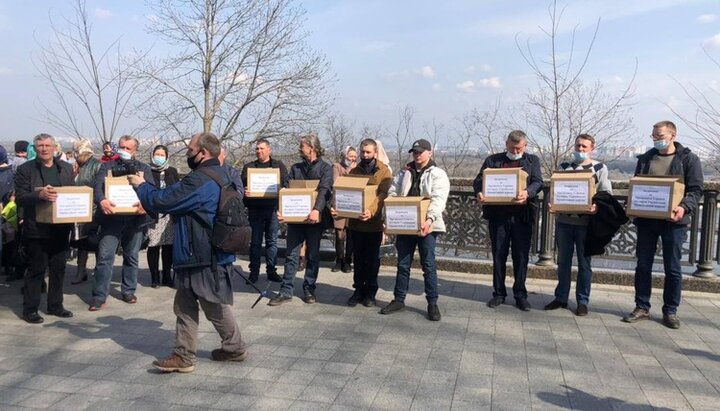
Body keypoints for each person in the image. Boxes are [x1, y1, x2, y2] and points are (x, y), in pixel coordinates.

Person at [130, 132, 247, 373]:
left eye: (190, 150)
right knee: (193, 302)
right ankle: (221, 348)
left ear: (203, 152)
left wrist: (141, 187)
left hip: (199, 252)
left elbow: (163, 200)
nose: (187, 153)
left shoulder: (199, 180)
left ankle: (191, 355)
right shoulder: (225, 174)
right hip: (214, 250)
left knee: (206, 304)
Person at [622, 121, 703, 329]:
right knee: (642, 265)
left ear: (672, 135)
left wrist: (684, 207)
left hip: (673, 223)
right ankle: (642, 307)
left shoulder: (688, 159)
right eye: (653, 136)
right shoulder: (646, 158)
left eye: (659, 135)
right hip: (647, 221)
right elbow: (638, 185)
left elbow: (695, 190)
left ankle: (670, 311)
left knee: (673, 268)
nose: (656, 139)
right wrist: (632, 203)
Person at [380, 138, 450, 321]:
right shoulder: (404, 172)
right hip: (405, 225)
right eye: (415, 152)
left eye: (421, 151)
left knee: (428, 264)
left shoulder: (438, 174)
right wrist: (388, 217)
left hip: (427, 226)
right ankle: (399, 299)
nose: (417, 155)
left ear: (429, 153)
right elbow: (392, 194)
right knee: (403, 264)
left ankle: (432, 303)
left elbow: (438, 199)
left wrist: (429, 219)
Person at [473, 130, 543, 311]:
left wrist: (527, 193)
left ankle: (520, 294)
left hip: (522, 216)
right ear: (506, 144)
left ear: (525, 146)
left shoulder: (532, 161)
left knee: (521, 256)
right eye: (512, 147)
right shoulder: (493, 160)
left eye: (519, 148)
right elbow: (479, 180)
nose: (515, 150)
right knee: (498, 255)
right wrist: (479, 192)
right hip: (498, 216)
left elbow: (538, 182)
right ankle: (498, 293)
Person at [544, 134, 612, 316]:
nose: (580, 150)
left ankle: (582, 301)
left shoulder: (599, 168)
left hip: (586, 224)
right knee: (563, 262)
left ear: (592, 148)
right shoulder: (564, 167)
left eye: (584, 147)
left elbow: (606, 194)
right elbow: (555, 190)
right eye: (578, 146)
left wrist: (597, 206)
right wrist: (552, 203)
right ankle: (561, 298)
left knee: (584, 264)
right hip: (564, 222)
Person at [15, 133, 75, 323]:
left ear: (54, 147)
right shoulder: (26, 169)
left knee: (58, 268)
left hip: (60, 227)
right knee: (36, 269)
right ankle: (30, 309)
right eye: (40, 145)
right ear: (35, 148)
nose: (44, 148)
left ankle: (55, 306)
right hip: (36, 228)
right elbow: (21, 197)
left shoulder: (64, 168)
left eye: (47, 145)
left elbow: (72, 193)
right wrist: (39, 195)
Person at [89, 135, 154, 311]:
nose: (124, 151)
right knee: (104, 257)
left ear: (135, 150)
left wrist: (144, 203)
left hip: (135, 220)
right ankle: (99, 295)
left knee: (132, 257)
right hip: (111, 219)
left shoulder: (144, 168)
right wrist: (102, 200)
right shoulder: (107, 166)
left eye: (128, 148)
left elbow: (152, 190)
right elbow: (97, 188)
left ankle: (128, 290)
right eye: (121, 147)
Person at [268, 134, 333, 306]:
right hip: (295, 220)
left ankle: (309, 288)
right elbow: (287, 189)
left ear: (312, 148)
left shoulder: (325, 168)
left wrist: (316, 210)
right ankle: (285, 290)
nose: (299, 148)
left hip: (314, 220)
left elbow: (325, 190)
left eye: (302, 146)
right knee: (291, 255)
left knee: (313, 255)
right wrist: (281, 210)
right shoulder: (296, 168)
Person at [334, 139, 392, 307]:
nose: (365, 155)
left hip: (373, 223)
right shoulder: (355, 170)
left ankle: (370, 292)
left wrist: (371, 211)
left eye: (368, 152)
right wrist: (336, 207)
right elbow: (346, 192)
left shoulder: (384, 171)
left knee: (372, 260)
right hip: (356, 224)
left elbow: (383, 195)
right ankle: (358, 290)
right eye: (363, 152)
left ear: (375, 152)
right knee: (358, 259)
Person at [240, 138, 288, 284]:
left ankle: (271, 271)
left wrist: (281, 190)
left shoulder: (278, 166)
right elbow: (240, 187)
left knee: (272, 242)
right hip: (255, 210)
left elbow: (286, 184)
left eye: (261, 148)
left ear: (269, 150)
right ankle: (253, 272)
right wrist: (245, 191)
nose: (259, 151)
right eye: (257, 149)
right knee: (254, 243)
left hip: (272, 209)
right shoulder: (249, 167)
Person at [146, 144, 180, 288]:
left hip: (169, 216)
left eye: (162, 155)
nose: (159, 157)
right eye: (157, 154)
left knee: (168, 246)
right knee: (153, 245)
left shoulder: (172, 171)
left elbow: (178, 189)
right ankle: (154, 276)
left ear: (166, 157)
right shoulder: (147, 171)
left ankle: (167, 275)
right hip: (153, 214)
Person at [70, 139, 102, 284]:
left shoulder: (97, 166)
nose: (78, 155)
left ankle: (99, 269)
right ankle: (80, 270)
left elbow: (100, 188)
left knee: (95, 241)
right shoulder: (75, 166)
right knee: (80, 242)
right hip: (77, 210)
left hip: (93, 210)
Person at [331, 146, 357, 273]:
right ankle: (339, 259)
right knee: (339, 234)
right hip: (340, 203)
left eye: (354, 156)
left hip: (353, 203)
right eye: (350, 156)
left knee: (351, 234)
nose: (352, 158)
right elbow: (336, 182)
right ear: (344, 155)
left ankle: (348, 260)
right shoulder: (337, 166)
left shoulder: (357, 168)